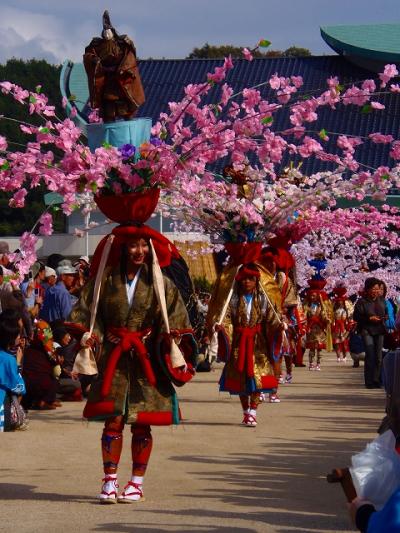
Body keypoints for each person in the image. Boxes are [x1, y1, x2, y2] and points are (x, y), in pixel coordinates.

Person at [70, 233, 195, 503]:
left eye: (143, 245)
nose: (138, 250)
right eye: (133, 245)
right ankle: (109, 481)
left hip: (145, 356)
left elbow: (171, 318)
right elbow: (90, 315)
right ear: (124, 248)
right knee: (112, 420)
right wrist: (92, 335)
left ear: (149, 249)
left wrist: (170, 336)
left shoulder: (161, 283)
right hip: (113, 358)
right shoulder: (105, 279)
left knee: (141, 423)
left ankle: (136, 483)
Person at [208, 263, 281, 426]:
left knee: (258, 377)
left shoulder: (263, 299)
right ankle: (245, 411)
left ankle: (253, 410)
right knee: (241, 378)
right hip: (239, 342)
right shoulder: (233, 299)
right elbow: (225, 318)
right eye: (244, 279)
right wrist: (221, 327)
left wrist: (279, 325)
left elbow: (272, 319)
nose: (247, 282)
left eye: (251, 279)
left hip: (258, 344)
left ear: (256, 281)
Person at [83, 10, 145, 122]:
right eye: (105, 32)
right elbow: (88, 55)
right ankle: (109, 121)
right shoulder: (97, 45)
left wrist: (124, 69)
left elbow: (130, 57)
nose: (107, 34)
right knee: (108, 106)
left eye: (109, 32)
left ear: (113, 32)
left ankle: (129, 122)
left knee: (126, 106)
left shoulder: (121, 44)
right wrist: (94, 60)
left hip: (119, 78)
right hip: (106, 77)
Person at [354, 277, 387, 389]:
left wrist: (385, 317)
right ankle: (369, 381)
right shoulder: (361, 302)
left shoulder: (381, 300)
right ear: (367, 289)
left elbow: (385, 312)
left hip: (380, 329)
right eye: (374, 289)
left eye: (378, 289)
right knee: (370, 354)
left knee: (379, 356)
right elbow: (356, 317)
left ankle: (377, 380)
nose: (376, 291)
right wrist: (369, 318)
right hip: (367, 329)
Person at [0, 310, 26, 432]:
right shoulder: (9, 359)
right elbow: (19, 387)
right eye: (17, 334)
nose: (19, 337)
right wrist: (18, 363)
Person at [303, 284, 332, 371]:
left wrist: (326, 319)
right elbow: (304, 317)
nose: (312, 297)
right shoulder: (306, 306)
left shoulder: (321, 307)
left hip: (319, 329)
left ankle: (318, 363)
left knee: (319, 348)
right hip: (311, 329)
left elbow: (324, 316)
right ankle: (311, 363)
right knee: (312, 347)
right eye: (311, 295)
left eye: (314, 296)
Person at [331, 286, 354, 363]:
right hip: (336, 327)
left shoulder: (346, 311)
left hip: (344, 327)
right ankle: (338, 356)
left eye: (341, 302)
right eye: (339, 302)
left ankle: (344, 356)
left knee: (344, 343)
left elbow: (349, 318)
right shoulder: (334, 311)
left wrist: (349, 325)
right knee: (337, 343)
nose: (340, 303)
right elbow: (332, 318)